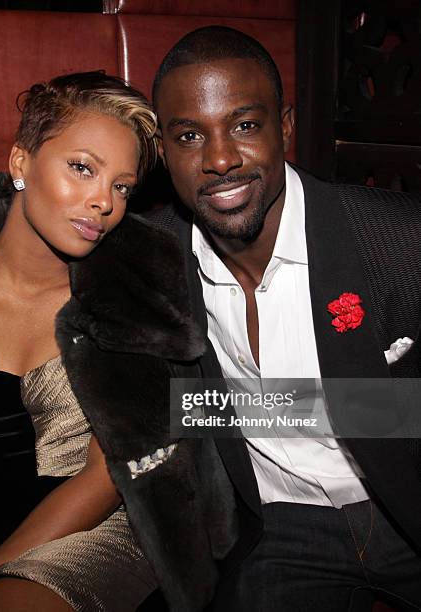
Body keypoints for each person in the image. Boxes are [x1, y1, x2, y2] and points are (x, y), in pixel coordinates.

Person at [0, 71, 235, 612]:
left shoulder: (132, 291)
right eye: (82, 168)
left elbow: (108, 473)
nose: (103, 201)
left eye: (121, 186)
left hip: (108, 538)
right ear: (20, 163)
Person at [150, 26, 421, 611]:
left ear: (287, 128)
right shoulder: (152, 262)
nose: (220, 158)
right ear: (164, 151)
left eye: (245, 126)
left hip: (405, 509)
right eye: (190, 135)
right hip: (276, 528)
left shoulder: (396, 238)